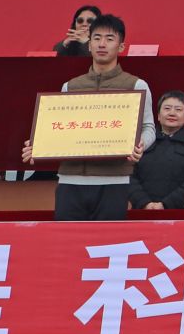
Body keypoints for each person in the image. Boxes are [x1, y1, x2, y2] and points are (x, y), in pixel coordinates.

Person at [21, 14, 156, 221]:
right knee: (67, 238)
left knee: (108, 239)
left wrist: (140, 144)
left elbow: (149, 128)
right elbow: (58, 128)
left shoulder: (136, 85)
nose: (102, 44)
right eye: (97, 38)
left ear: (121, 46)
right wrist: (38, 145)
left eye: (109, 39)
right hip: (70, 179)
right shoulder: (70, 86)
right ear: (89, 44)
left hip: (114, 180)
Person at [128, 90, 184, 210]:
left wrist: (166, 205)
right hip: (142, 210)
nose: (172, 113)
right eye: (167, 108)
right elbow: (129, 175)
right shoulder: (142, 142)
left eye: (178, 109)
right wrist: (145, 203)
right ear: (158, 116)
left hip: (179, 212)